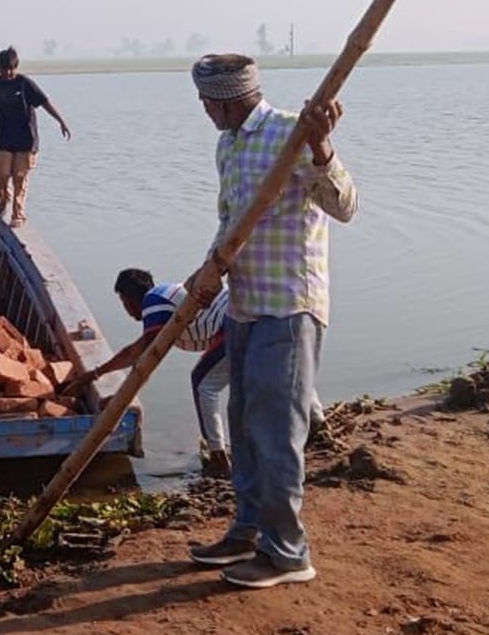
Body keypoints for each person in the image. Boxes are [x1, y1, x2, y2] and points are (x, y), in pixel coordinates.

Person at [183, 52, 357, 590]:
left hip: (290, 305)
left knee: (277, 429)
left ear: (229, 100)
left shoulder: (292, 133)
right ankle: (248, 529)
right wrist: (207, 271)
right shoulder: (227, 144)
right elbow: (230, 221)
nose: (205, 112)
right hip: (244, 303)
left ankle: (288, 553)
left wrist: (322, 147)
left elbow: (345, 204)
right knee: (243, 422)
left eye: (208, 103)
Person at [64, 269, 234, 479]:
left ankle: (218, 458)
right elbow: (138, 352)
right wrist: (94, 374)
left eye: (124, 303)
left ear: (129, 299)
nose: (127, 310)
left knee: (202, 384)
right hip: (245, 317)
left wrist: (119, 398)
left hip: (232, 324)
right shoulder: (165, 298)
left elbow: (145, 358)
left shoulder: (154, 301)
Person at [0, 46, 70, 228]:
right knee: (1, 173)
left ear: (16, 67)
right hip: (4, 138)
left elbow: (45, 102)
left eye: (12, 69)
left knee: (20, 177)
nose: (8, 73)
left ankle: (18, 214)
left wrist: (61, 121)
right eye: (4, 69)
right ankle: (4, 197)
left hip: (26, 139)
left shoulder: (24, 83)